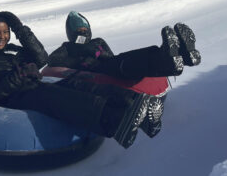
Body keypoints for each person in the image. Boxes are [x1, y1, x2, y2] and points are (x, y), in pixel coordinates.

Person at [0, 6, 155, 148]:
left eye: (6, 32)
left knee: (75, 84)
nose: (3, 37)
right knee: (58, 97)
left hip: (31, 88)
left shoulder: (8, 54)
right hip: (17, 98)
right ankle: (116, 121)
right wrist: (17, 78)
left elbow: (41, 58)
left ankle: (135, 103)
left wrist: (20, 29)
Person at [48, 11, 201, 137]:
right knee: (118, 66)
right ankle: (165, 60)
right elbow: (52, 61)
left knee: (124, 62)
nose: (82, 33)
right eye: (78, 30)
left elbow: (111, 56)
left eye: (84, 30)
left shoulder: (97, 42)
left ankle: (169, 58)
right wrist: (78, 60)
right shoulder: (67, 48)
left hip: (107, 66)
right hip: (93, 74)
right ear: (71, 33)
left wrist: (99, 54)